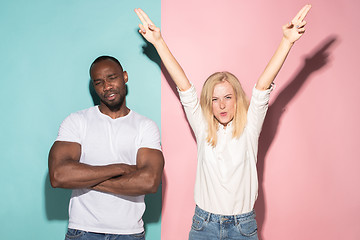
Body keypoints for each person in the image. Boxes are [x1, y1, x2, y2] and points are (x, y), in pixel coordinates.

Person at [135, 4, 311, 240]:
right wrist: (158, 42)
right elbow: (185, 88)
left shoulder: (250, 127)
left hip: (243, 226)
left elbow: (261, 88)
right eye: (215, 99)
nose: (222, 105)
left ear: (237, 99)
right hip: (203, 224)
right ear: (208, 104)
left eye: (228, 97)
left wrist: (287, 41)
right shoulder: (203, 127)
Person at [48, 55, 165, 240]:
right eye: (99, 82)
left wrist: (85, 180)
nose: (107, 87)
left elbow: (149, 182)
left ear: (124, 76)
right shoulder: (77, 121)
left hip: (129, 233)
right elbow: (58, 176)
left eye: (112, 78)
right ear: (94, 87)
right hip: (83, 231)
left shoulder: (145, 126)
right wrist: (121, 168)